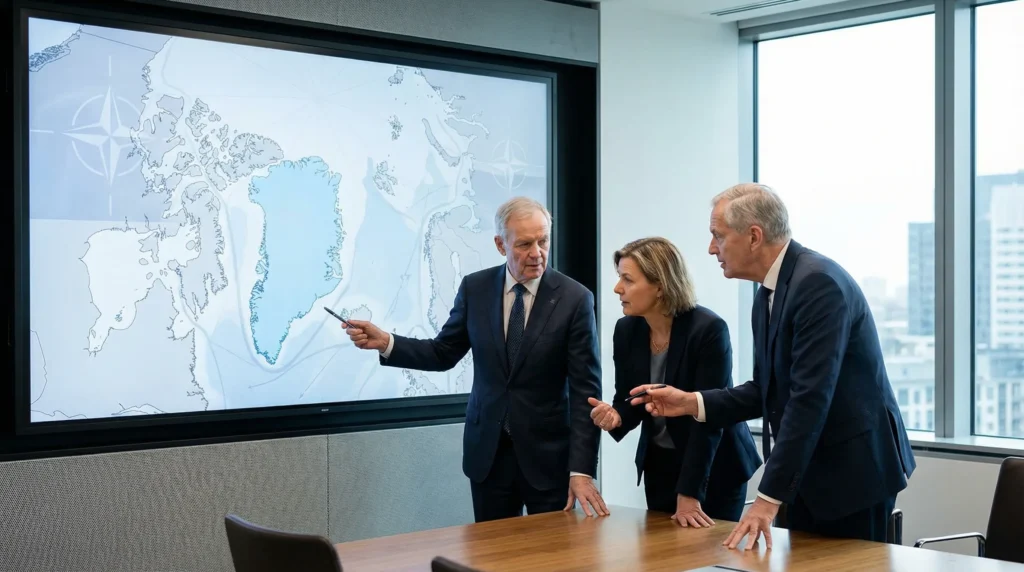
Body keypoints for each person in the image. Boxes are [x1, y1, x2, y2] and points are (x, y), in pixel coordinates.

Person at [630, 183, 916, 547]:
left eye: (718, 236)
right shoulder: (768, 293)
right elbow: (767, 389)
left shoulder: (817, 284)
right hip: (807, 475)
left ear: (753, 236)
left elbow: (809, 400)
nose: (711, 248)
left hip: (851, 473)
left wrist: (766, 499)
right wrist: (692, 403)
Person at [343, 196, 608, 523]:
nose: (537, 253)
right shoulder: (475, 289)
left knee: (552, 558)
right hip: (489, 455)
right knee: (489, 559)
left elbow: (586, 394)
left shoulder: (575, 299)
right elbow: (443, 353)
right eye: (524, 244)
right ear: (500, 244)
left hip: (549, 458)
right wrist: (387, 342)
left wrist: (581, 470)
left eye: (543, 241)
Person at [588, 237, 761, 527]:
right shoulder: (627, 329)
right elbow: (631, 399)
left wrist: (690, 492)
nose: (618, 289)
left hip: (715, 467)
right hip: (660, 465)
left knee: (709, 559)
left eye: (627, 280)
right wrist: (616, 416)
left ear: (660, 285)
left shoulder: (708, 330)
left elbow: (708, 418)